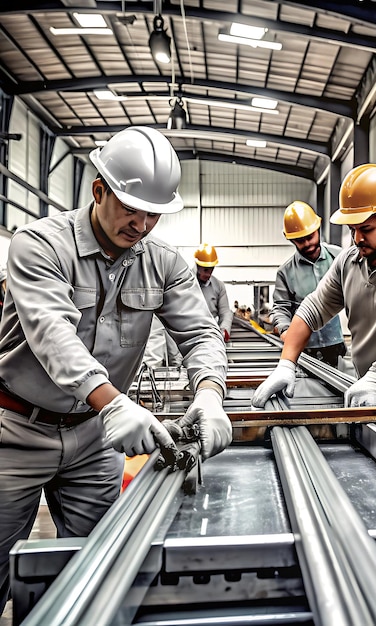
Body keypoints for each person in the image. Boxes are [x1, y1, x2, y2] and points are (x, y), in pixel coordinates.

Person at [0, 126, 232, 613]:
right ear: (99, 189)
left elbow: (200, 334)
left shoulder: (164, 263)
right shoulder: (39, 245)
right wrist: (113, 404)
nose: (144, 224)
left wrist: (210, 393)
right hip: (15, 432)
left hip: (93, 443)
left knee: (101, 571)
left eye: (155, 213)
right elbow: (52, 335)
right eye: (132, 208)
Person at [252, 164, 376, 409]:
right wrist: (286, 364)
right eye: (352, 229)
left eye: (366, 229)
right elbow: (313, 309)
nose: (357, 239)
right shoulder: (349, 261)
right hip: (368, 386)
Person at [271, 201, 346, 367]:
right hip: (304, 349)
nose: (307, 244)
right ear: (291, 240)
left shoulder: (339, 258)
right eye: (299, 240)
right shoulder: (285, 272)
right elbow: (281, 307)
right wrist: (285, 330)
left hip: (335, 344)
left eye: (310, 237)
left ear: (317, 229)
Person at [194, 244, 234, 342]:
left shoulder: (219, 286)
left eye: (212, 269)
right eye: (205, 269)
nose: (208, 273)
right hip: (188, 333)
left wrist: (224, 330)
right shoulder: (185, 283)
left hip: (211, 333)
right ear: (197, 266)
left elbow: (225, 312)